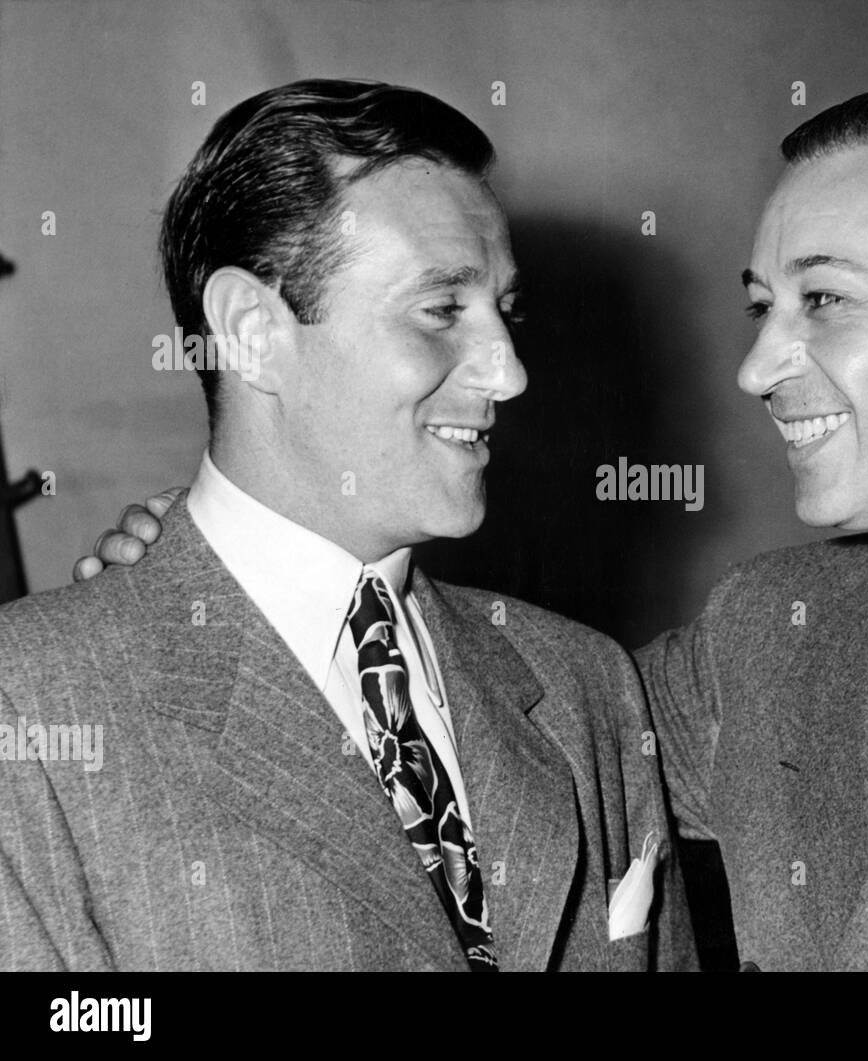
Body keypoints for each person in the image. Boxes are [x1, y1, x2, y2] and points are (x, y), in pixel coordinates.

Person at [78, 85, 868, 972]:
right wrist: (217, 599)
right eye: (764, 307)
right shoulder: (766, 631)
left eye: (823, 301)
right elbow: (479, 721)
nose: (762, 364)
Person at [0, 79, 695, 972]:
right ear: (252, 332)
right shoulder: (29, 710)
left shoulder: (586, 685)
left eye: (506, 313)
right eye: (441, 310)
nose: (510, 373)